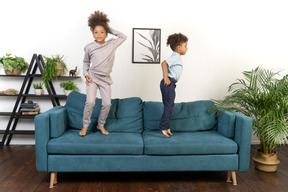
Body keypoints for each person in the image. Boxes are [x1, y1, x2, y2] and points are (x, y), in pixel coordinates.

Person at [79, 11, 127, 136]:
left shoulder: (112, 44)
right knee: (90, 102)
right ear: (92, 34)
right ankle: (85, 125)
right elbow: (85, 62)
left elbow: (123, 36)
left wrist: (108, 27)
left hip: (105, 79)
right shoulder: (89, 47)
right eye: (96, 32)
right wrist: (86, 74)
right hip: (92, 78)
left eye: (102, 32)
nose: (99, 34)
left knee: (107, 103)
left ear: (106, 33)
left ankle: (101, 124)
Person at [159, 33, 188, 137]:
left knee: (169, 106)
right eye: (185, 46)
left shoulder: (176, 56)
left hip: (170, 84)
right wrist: (166, 77)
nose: (187, 48)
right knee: (169, 106)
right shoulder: (176, 56)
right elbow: (164, 63)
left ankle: (167, 127)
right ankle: (163, 127)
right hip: (168, 83)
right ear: (179, 47)